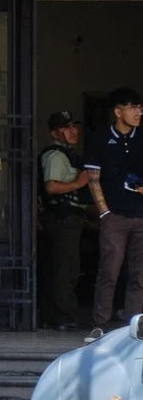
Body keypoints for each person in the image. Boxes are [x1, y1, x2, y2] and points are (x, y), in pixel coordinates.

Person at [86, 88, 143, 342]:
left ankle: (134, 326)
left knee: (140, 274)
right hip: (115, 217)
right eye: (133, 107)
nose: (138, 112)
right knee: (109, 270)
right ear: (118, 111)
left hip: (141, 215)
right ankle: (100, 324)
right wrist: (104, 212)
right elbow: (93, 178)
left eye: (140, 107)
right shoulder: (99, 139)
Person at [38, 111, 101, 331]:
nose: (72, 131)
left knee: (66, 267)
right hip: (61, 219)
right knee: (66, 269)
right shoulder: (56, 155)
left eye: (74, 126)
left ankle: (57, 315)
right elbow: (51, 187)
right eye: (66, 128)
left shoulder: (68, 153)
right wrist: (79, 182)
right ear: (54, 132)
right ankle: (63, 317)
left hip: (71, 219)